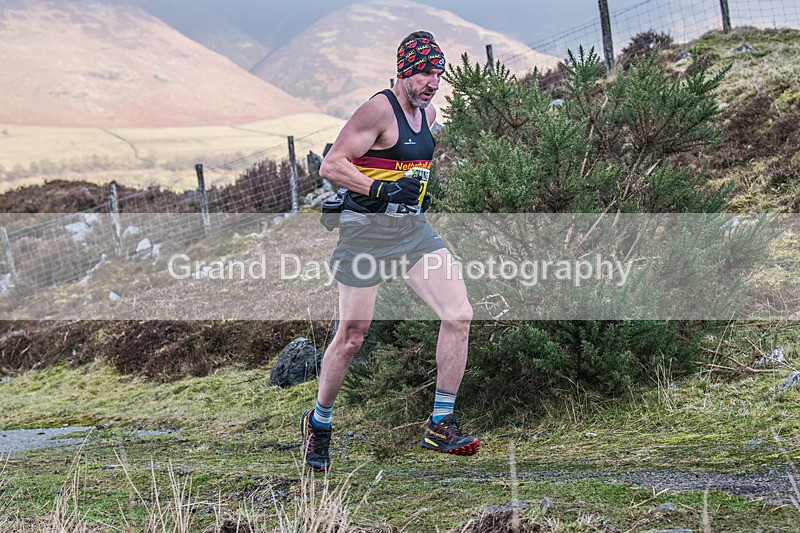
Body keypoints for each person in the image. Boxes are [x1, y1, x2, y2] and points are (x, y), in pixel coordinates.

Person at [300, 30, 479, 471]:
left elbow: (408, 168)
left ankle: (440, 423)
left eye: (438, 74)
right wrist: (381, 190)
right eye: (424, 73)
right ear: (403, 71)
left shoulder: (428, 113)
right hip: (366, 235)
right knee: (352, 337)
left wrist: (416, 195)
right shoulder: (378, 110)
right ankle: (319, 423)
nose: (433, 82)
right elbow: (332, 165)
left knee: (459, 314)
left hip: (411, 232)